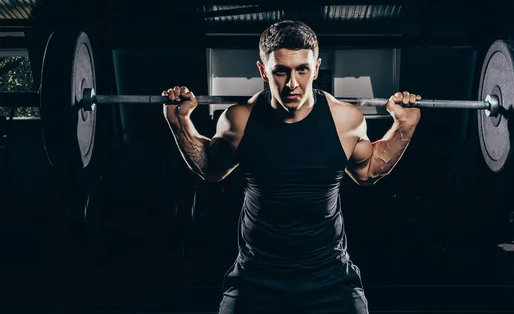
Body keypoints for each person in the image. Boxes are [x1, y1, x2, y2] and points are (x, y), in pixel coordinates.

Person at [162, 20, 422, 314]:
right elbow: (210, 168)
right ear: (263, 71)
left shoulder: (344, 120)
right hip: (255, 279)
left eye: (302, 69)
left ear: (316, 67)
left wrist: (404, 127)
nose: (292, 84)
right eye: (280, 71)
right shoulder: (239, 120)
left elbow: (369, 171)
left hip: (330, 278)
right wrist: (179, 122)